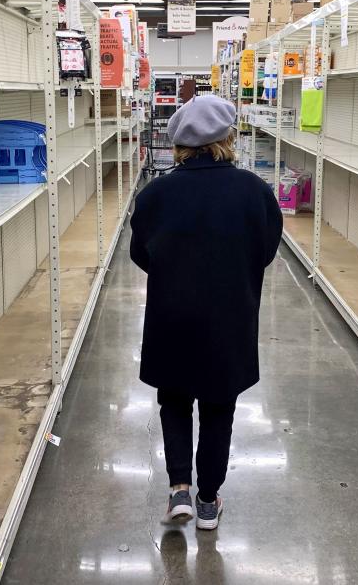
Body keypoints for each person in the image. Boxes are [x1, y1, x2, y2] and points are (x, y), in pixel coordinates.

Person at [129, 95, 283, 531]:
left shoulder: (156, 194)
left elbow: (142, 253)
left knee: (173, 400)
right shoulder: (255, 192)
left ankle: (179, 487)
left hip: (171, 316)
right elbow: (265, 250)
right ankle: (209, 500)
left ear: (179, 145)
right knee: (219, 407)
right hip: (229, 318)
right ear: (228, 138)